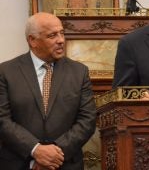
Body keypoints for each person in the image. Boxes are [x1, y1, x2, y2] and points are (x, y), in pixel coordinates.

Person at [0, 12, 97, 170]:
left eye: (62, 33)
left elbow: (87, 119)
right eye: (52, 35)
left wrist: (54, 154)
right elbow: (2, 120)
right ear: (33, 41)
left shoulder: (79, 72)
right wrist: (35, 150)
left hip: (65, 163)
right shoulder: (6, 72)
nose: (61, 40)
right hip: (19, 163)